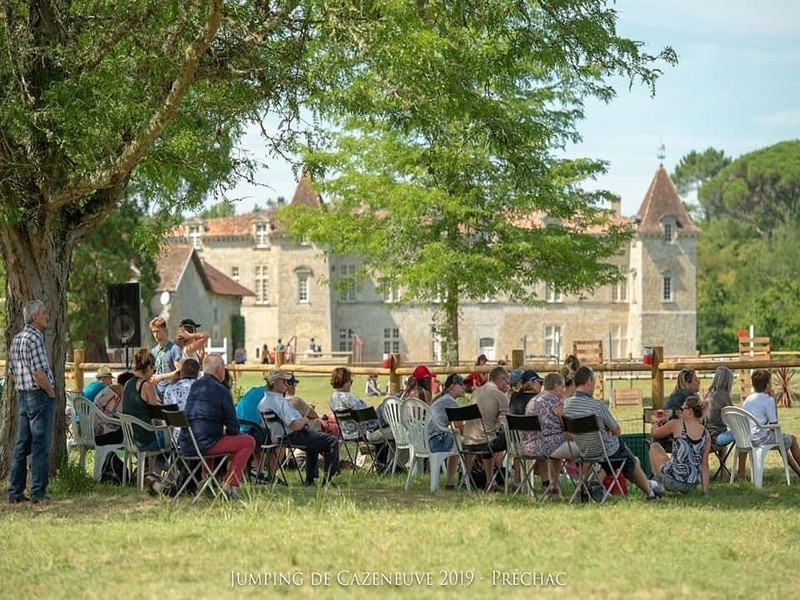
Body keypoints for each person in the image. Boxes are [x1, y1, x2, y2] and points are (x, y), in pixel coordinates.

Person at [563, 366, 663, 501]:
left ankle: (595, 484)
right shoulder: (597, 406)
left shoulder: (566, 405)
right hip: (606, 450)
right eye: (594, 382)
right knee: (632, 462)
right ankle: (650, 491)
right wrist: (607, 430)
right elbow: (616, 430)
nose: (594, 386)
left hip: (585, 450)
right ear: (589, 381)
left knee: (627, 462)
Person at [180, 354, 256, 499]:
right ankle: (228, 485)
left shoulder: (196, 385)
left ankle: (208, 478)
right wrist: (230, 433)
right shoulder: (222, 390)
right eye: (223, 368)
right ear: (217, 369)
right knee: (248, 442)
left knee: (212, 435)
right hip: (205, 444)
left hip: (187, 443)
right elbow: (233, 426)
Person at [8, 299, 56, 504]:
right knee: (39, 445)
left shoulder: (17, 338)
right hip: (38, 395)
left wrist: (23, 383)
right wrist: (50, 392)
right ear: (35, 316)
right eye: (44, 312)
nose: (47, 316)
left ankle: (15, 492)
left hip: (23, 395)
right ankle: (38, 492)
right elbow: (39, 373)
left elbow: (11, 373)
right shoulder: (36, 338)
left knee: (21, 445)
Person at [259, 369, 340, 486]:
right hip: (293, 435)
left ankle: (311, 479)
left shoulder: (263, 402)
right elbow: (295, 426)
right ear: (275, 384)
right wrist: (304, 420)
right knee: (331, 441)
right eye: (284, 382)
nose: (286, 385)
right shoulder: (279, 402)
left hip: (278, 436)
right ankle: (329, 479)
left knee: (314, 441)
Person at [122, 347, 167, 492]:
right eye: (154, 370)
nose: (154, 374)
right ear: (149, 367)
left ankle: (152, 472)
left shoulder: (127, 384)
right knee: (170, 439)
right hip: (145, 439)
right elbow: (157, 416)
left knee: (166, 440)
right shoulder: (146, 386)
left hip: (131, 438)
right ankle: (156, 475)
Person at [742, 369, 800, 478]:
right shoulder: (768, 400)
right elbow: (774, 423)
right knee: (792, 439)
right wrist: (773, 401)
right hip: (762, 439)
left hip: (749, 438)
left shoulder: (747, 400)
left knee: (782, 442)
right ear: (767, 385)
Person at [649, 395, 710, 495]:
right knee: (670, 461)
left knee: (655, 447)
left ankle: (658, 486)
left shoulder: (677, 424)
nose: (680, 411)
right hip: (691, 484)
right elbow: (704, 465)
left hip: (672, 481)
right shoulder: (706, 434)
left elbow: (655, 433)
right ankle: (703, 492)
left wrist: (655, 423)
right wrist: (705, 492)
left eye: (683, 409)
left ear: (690, 411)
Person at [462, 365, 509, 491]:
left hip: (468, 441)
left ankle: (466, 480)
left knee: (488, 435)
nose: (507, 385)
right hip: (487, 442)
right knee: (513, 439)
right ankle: (514, 480)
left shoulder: (476, 392)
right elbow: (506, 423)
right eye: (507, 382)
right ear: (500, 379)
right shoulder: (500, 395)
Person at [523, 372, 570, 495]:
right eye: (562, 387)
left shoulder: (533, 401)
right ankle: (584, 486)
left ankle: (547, 484)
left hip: (529, 447)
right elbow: (566, 425)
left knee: (554, 440)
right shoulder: (555, 401)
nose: (564, 390)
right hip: (548, 446)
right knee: (575, 442)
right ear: (555, 385)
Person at [427, 373, 467, 489]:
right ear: (452, 386)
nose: (464, 387)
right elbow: (459, 428)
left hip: (429, 439)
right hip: (437, 441)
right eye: (461, 384)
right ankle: (465, 481)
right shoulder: (450, 402)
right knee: (470, 444)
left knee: (457, 442)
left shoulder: (441, 399)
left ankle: (450, 483)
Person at [704, 366, 745, 480]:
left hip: (707, 437)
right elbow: (734, 416)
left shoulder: (709, 394)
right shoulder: (724, 395)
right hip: (717, 439)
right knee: (744, 433)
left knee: (723, 430)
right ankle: (741, 473)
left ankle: (724, 473)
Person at [163, 358, 200, 445]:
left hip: (177, 441)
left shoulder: (170, 390)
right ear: (197, 374)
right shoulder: (203, 390)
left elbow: (166, 420)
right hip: (200, 438)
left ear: (182, 372)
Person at [149, 316, 182, 399]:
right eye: (153, 332)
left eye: (158, 331)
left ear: (165, 331)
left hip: (171, 393)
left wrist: (161, 377)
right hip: (157, 392)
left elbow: (179, 372)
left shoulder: (174, 349)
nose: (155, 335)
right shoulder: (153, 351)